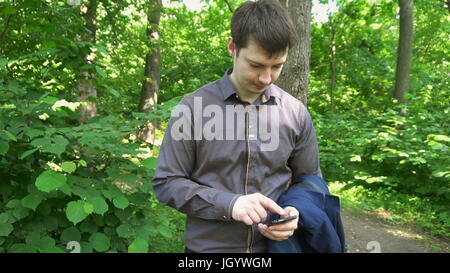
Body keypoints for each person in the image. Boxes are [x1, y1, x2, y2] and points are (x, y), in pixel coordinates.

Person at [152, 0, 322, 253]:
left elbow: (309, 179)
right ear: (232, 47)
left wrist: (297, 210)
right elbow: (167, 183)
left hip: (278, 249)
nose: (266, 78)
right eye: (256, 65)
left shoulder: (295, 112)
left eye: (277, 66)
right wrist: (229, 204)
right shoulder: (192, 108)